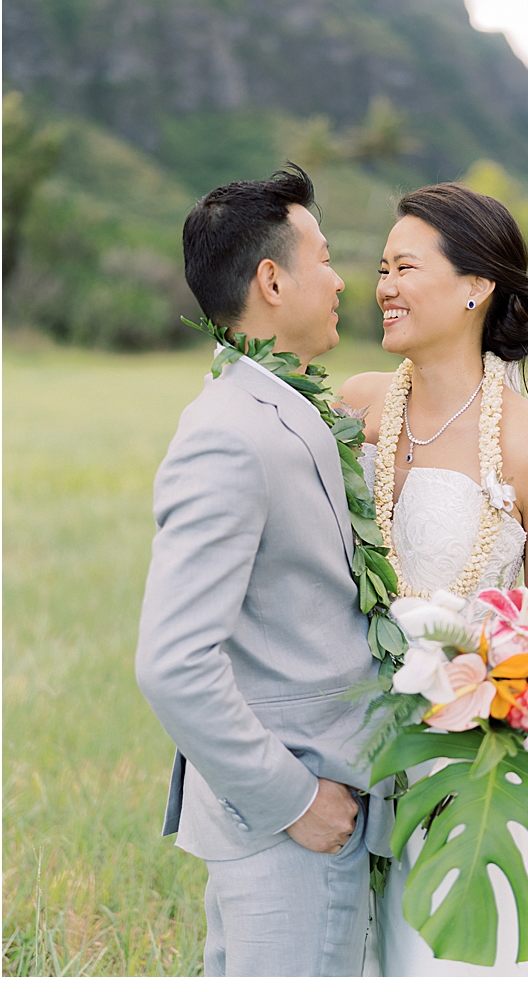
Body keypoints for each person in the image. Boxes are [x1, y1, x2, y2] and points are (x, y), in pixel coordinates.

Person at [337, 183, 528, 975]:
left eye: (405, 267)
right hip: (350, 750)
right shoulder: (356, 406)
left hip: (467, 773)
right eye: (381, 268)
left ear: (474, 286)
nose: (383, 287)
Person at [135, 163, 392, 977]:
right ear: (272, 280)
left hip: (322, 815)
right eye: (323, 258)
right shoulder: (228, 433)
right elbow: (172, 663)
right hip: (295, 825)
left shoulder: (282, 405)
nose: (342, 278)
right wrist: (295, 801)